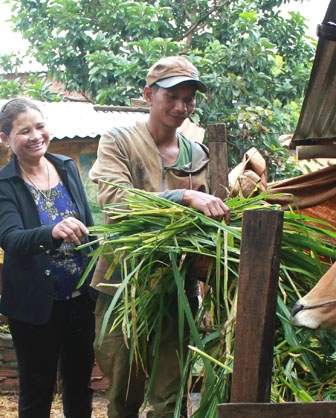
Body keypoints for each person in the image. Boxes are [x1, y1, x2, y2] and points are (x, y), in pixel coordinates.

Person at [89, 55, 230, 418]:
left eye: (189, 99)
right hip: (123, 285)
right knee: (123, 392)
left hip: (177, 290)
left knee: (169, 396)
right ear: (148, 95)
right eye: (173, 97)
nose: (182, 107)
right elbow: (115, 201)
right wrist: (183, 196)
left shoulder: (198, 153)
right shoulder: (119, 140)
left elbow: (213, 214)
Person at [0, 98, 96, 418]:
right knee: (37, 390)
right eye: (23, 131)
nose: (36, 135)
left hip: (79, 297)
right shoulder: (5, 184)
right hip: (34, 305)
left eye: (40, 126)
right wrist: (51, 231)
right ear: (5, 139)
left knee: (80, 385)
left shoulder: (67, 167)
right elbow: (11, 239)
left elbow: (89, 225)